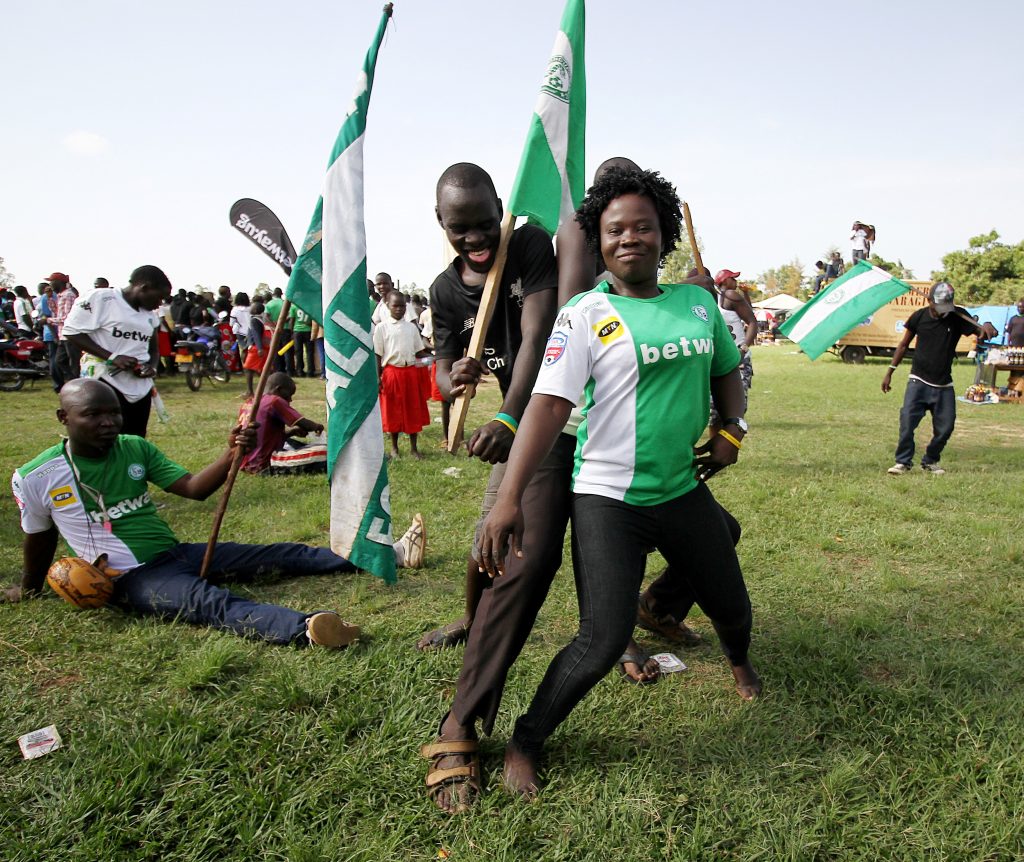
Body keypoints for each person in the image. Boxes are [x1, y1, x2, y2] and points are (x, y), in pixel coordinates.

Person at [476, 167, 759, 801]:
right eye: (614, 230)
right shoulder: (584, 314)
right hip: (608, 498)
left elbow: (726, 371)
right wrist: (509, 499)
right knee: (601, 640)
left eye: (642, 227)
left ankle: (740, 662)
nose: (629, 238)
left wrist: (732, 430)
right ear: (599, 243)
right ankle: (527, 741)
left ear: (663, 237)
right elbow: (548, 407)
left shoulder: (697, 305)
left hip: (682, 490)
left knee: (732, 606)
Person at [3, 378, 363, 647]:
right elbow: (39, 536)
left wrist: (231, 453)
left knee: (279, 554)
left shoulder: (134, 447)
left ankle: (376, 554)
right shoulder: (37, 476)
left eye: (113, 412)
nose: (108, 422)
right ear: (63, 417)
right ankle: (307, 630)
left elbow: (194, 489)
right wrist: (30, 588)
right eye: (92, 415)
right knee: (210, 603)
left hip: (177, 553)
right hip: (130, 577)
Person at [883, 281, 998, 475]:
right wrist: (890, 372)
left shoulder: (957, 316)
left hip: (944, 384)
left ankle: (930, 460)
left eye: (946, 307)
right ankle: (903, 461)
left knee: (946, 427)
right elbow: (903, 345)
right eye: (938, 307)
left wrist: (987, 327)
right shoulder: (918, 317)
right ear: (930, 301)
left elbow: (982, 332)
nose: (941, 312)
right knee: (907, 423)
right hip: (918, 380)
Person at [63, 265, 167, 438]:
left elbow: (153, 350)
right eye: (159, 297)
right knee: (106, 436)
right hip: (106, 380)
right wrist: (112, 357)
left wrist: (152, 367)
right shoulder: (103, 298)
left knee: (136, 437)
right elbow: (72, 331)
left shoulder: (149, 315)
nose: (160, 304)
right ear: (144, 287)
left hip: (139, 386)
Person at [373, 291, 432, 460]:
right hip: (392, 372)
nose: (399, 309)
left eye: (402, 306)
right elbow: (377, 354)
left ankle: (414, 449)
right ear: (388, 306)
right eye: (395, 306)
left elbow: (419, 351)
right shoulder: (382, 328)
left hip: (410, 372)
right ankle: (394, 448)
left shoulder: (411, 327)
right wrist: (378, 376)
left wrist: (435, 354)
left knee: (413, 409)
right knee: (393, 411)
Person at [239, 373, 325, 474]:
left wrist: (291, 433)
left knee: (292, 443)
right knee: (325, 451)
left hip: (246, 462)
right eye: (289, 394)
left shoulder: (249, 403)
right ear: (279, 389)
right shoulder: (274, 401)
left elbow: (262, 437)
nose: (290, 399)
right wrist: (317, 426)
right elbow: (304, 424)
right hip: (265, 463)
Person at [710, 269, 757, 435]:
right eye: (732, 278)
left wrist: (744, 348)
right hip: (722, 359)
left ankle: (725, 444)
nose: (736, 282)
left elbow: (751, 320)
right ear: (724, 281)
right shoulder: (726, 296)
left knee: (729, 410)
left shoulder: (729, 296)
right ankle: (719, 444)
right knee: (718, 411)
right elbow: (751, 318)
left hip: (738, 357)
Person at [49, 272, 80, 387]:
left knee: (74, 362)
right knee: (59, 361)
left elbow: (67, 317)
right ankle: (73, 381)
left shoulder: (69, 295)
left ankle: (77, 384)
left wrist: (49, 320)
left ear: (58, 282)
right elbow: (57, 311)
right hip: (63, 334)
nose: (50, 285)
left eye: (51, 282)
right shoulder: (60, 295)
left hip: (71, 334)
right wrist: (49, 298)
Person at [242, 300, 272, 397]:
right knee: (263, 370)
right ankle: (268, 390)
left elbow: (256, 335)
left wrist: (259, 348)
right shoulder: (261, 319)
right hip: (261, 347)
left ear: (255, 310)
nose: (250, 308)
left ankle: (250, 392)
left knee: (248, 369)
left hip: (255, 348)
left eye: (252, 306)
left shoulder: (254, 320)